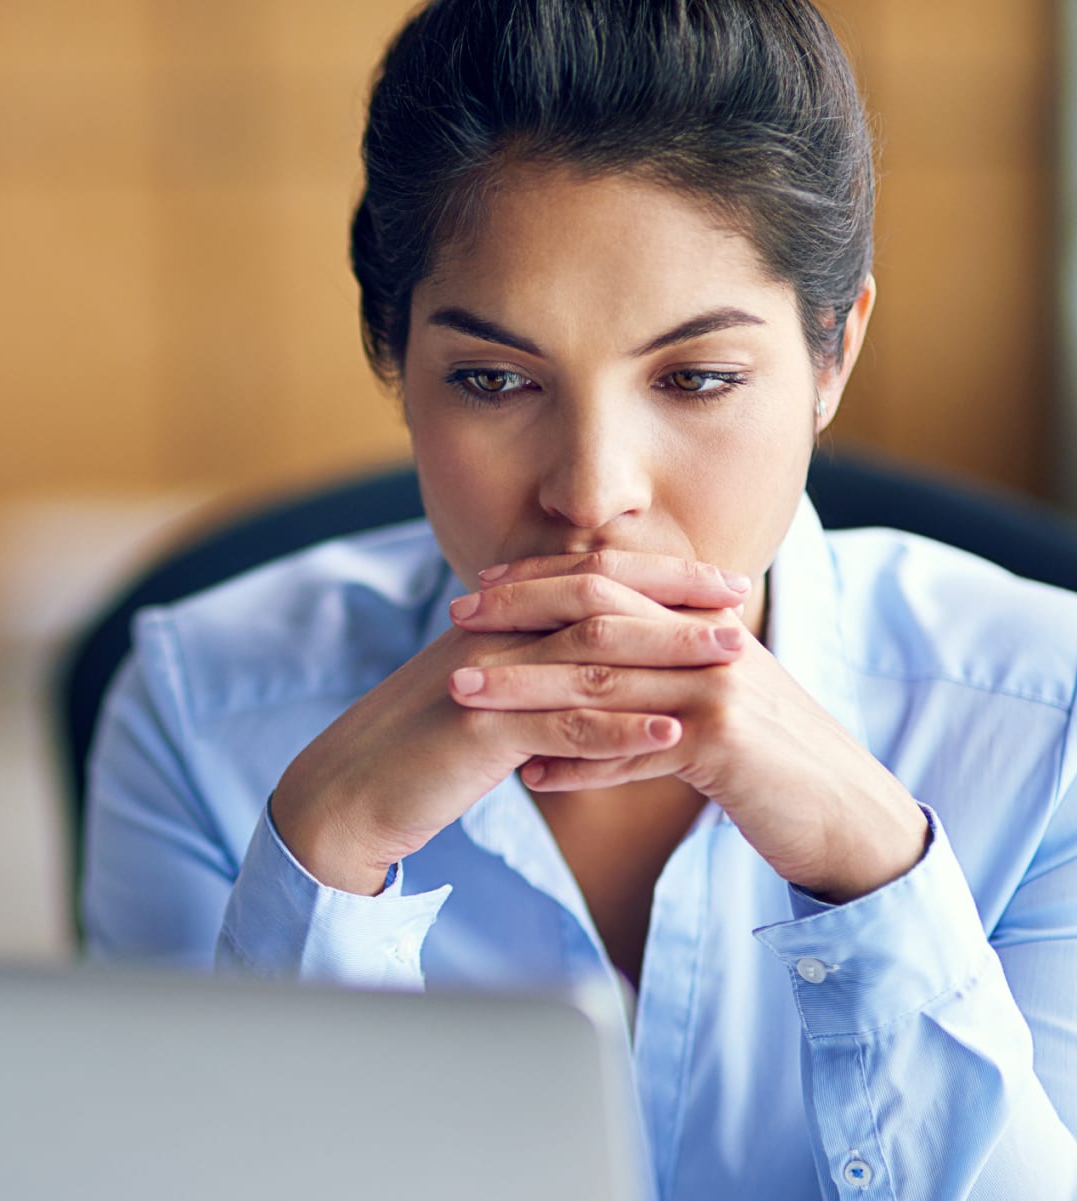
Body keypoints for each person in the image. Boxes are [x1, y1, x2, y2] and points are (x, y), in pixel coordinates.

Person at [81, 0, 1077, 1197]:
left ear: (833, 354)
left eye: (698, 377)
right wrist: (321, 861)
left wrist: (876, 874)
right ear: (394, 360)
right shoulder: (198, 708)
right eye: (494, 379)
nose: (593, 493)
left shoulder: (1050, 723)